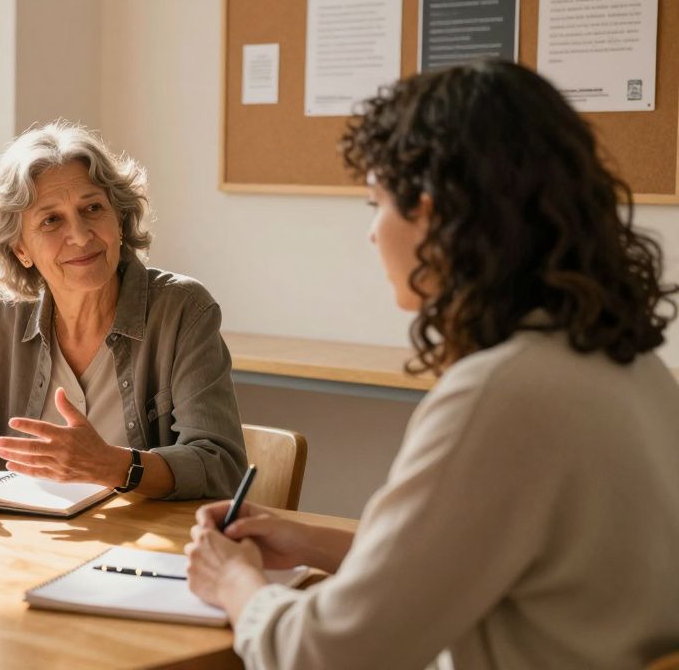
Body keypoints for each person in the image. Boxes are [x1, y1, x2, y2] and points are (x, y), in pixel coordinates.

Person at [185, 60, 679, 668]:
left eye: (376, 202)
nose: (371, 234)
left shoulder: (500, 394)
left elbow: (322, 655)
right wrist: (314, 541)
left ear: (432, 211)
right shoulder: (632, 367)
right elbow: (486, 557)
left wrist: (234, 583)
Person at [0, 121, 246, 499]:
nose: (82, 235)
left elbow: (220, 465)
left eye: (93, 208)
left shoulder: (183, 310)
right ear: (20, 248)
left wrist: (112, 465)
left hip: (146, 547)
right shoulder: (2, 318)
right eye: (52, 220)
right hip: (31, 545)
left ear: (119, 219)